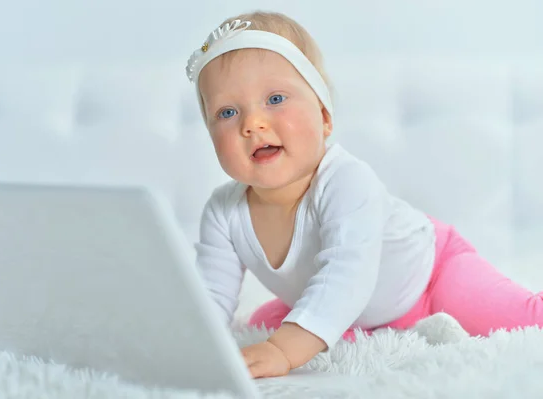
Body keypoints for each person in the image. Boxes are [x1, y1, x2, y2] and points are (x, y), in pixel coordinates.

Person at [185, 11, 543, 379]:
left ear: (324, 116)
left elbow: (346, 274)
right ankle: (334, 322)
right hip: (356, 308)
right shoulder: (223, 211)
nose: (252, 124)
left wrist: (283, 349)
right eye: (227, 112)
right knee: (264, 321)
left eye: (275, 98)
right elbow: (210, 296)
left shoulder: (346, 181)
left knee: (526, 318)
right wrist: (183, 347)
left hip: (431, 275)